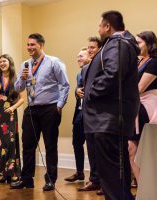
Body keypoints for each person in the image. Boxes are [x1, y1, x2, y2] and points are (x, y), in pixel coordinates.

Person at [83, 11, 140, 200]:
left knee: (112, 175)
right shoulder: (117, 44)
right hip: (106, 118)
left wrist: (91, 92)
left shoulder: (118, 44)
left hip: (108, 119)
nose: (98, 29)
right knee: (113, 174)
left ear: (108, 26)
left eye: (100, 25)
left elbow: (112, 74)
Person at [11, 33, 70, 191]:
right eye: (28, 44)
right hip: (31, 110)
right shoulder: (25, 65)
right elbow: (18, 88)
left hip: (50, 108)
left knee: (50, 146)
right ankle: (26, 179)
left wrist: (59, 105)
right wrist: (22, 78)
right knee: (27, 145)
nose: (29, 47)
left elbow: (65, 85)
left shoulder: (53, 62)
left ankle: (50, 180)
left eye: (33, 45)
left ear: (41, 45)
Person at [128, 31, 157, 185]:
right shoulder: (139, 62)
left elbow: (139, 88)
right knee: (131, 149)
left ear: (149, 44)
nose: (136, 46)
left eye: (139, 43)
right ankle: (143, 187)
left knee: (146, 150)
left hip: (148, 107)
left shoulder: (155, 62)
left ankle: (150, 188)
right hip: (136, 106)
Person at [0, 54, 24, 184]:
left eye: (4, 61)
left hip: (10, 115)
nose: (2, 63)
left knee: (10, 143)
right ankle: (3, 172)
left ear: (9, 63)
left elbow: (22, 99)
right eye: (0, 61)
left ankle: (12, 172)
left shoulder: (16, 79)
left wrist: (13, 108)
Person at [77, 38, 104, 193]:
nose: (90, 50)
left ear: (100, 49)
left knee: (101, 150)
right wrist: (77, 91)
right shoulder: (85, 69)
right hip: (87, 112)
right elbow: (82, 87)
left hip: (101, 112)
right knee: (91, 149)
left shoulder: (104, 65)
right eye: (89, 47)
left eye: (93, 47)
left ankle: (105, 183)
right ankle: (94, 180)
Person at [64, 48, 91, 183]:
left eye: (81, 56)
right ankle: (79, 172)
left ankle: (95, 176)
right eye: (77, 56)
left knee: (92, 145)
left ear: (89, 56)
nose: (78, 59)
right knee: (76, 143)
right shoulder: (79, 74)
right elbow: (79, 91)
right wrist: (76, 91)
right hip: (79, 112)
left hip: (91, 113)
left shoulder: (94, 71)